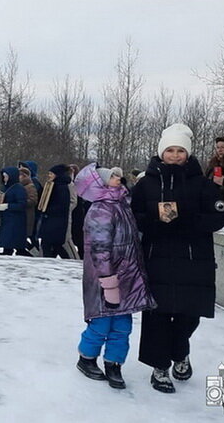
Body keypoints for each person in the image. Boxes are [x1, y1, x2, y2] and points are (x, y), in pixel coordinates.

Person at [132, 123, 224, 394]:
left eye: (180, 151)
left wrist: (186, 219)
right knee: (158, 316)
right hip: (156, 258)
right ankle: (160, 365)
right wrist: (155, 215)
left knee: (189, 314)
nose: (175, 155)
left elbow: (221, 216)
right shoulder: (145, 184)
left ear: (187, 154)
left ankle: (180, 351)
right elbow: (133, 216)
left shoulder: (202, 184)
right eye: (170, 150)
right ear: (161, 152)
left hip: (193, 260)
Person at [73, 163, 156, 390]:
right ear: (99, 183)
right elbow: (99, 249)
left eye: (118, 175)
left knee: (122, 323)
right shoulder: (101, 209)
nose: (118, 178)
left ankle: (114, 363)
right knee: (101, 322)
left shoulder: (122, 204)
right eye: (112, 176)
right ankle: (87, 358)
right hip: (106, 278)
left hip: (126, 275)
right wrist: (108, 281)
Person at [38, 164, 73, 259]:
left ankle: (55, 262)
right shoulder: (55, 185)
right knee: (53, 245)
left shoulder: (61, 187)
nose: (49, 175)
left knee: (50, 244)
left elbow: (60, 205)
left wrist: (47, 210)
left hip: (55, 221)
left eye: (51, 173)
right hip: (53, 220)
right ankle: (54, 262)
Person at [0, 167, 29, 256]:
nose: (4, 178)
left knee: (13, 236)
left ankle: (13, 251)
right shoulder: (5, 187)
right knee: (7, 236)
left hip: (16, 218)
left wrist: (7, 206)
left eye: (6, 176)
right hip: (7, 217)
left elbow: (22, 204)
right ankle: (7, 250)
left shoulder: (18, 188)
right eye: (3, 176)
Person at [19, 167, 40, 254]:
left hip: (28, 215)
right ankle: (24, 251)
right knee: (21, 236)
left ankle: (34, 252)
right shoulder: (21, 186)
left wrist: (22, 202)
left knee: (25, 236)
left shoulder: (30, 186)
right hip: (23, 214)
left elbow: (33, 200)